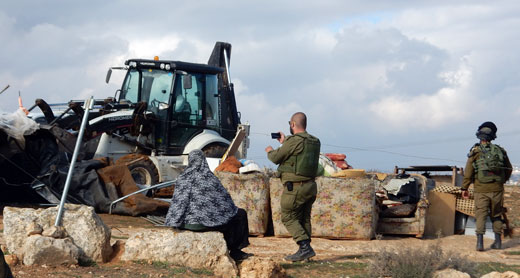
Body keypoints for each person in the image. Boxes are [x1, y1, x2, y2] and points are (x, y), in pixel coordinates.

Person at [164, 149, 251, 261]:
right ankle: (235, 251)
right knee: (239, 214)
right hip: (204, 225)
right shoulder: (210, 178)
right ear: (203, 161)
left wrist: (173, 221)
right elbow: (225, 202)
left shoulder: (182, 178)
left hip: (186, 224)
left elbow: (178, 203)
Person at [265, 112, 321, 262]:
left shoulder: (294, 141)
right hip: (310, 186)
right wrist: (285, 142)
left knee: (288, 217)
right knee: (304, 219)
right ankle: (305, 253)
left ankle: (304, 247)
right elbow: (298, 153)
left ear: (293, 124)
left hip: (295, 188)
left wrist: (270, 151)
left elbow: (276, 158)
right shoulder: (314, 141)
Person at [462, 121, 512, 251]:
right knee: (496, 214)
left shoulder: (475, 151)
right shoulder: (501, 151)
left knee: (481, 215)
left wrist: (464, 188)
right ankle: (498, 243)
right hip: (497, 189)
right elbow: (509, 169)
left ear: (479, 136)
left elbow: (468, 173)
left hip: (481, 189)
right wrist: (501, 181)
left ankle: (480, 244)